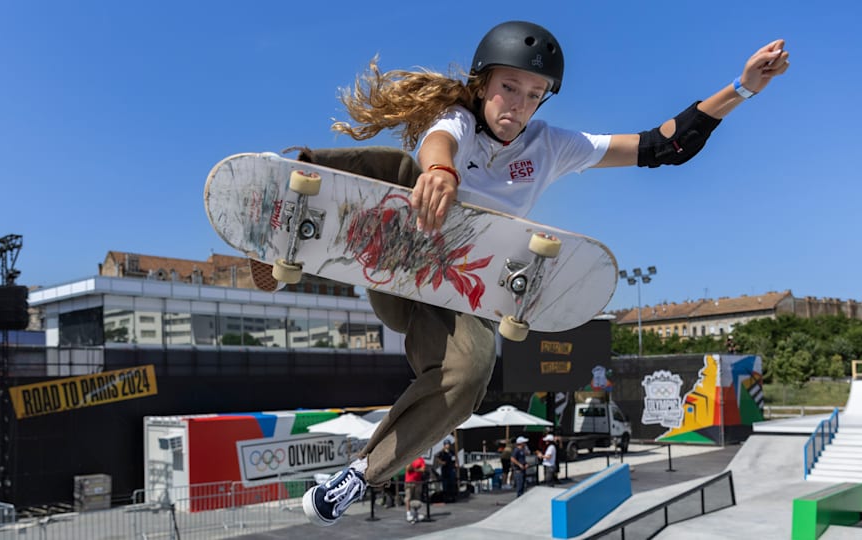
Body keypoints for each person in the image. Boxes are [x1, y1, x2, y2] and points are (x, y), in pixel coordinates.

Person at [301, 20, 790, 526]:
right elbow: (438, 143)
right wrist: (440, 171)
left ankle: (358, 475)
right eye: (507, 88)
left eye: (533, 95)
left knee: (469, 378)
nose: (517, 105)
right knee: (399, 170)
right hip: (403, 255)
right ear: (482, 84)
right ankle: (288, 204)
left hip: (453, 296)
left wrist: (741, 88)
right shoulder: (459, 119)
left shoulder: (554, 146)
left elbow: (662, 145)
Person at [404, 455, 426, 523]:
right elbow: (408, 468)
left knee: (416, 498)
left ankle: (415, 513)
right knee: (408, 497)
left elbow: (423, 469)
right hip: (409, 482)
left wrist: (415, 469)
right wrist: (417, 469)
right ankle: (408, 514)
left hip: (418, 482)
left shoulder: (421, 459)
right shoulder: (409, 458)